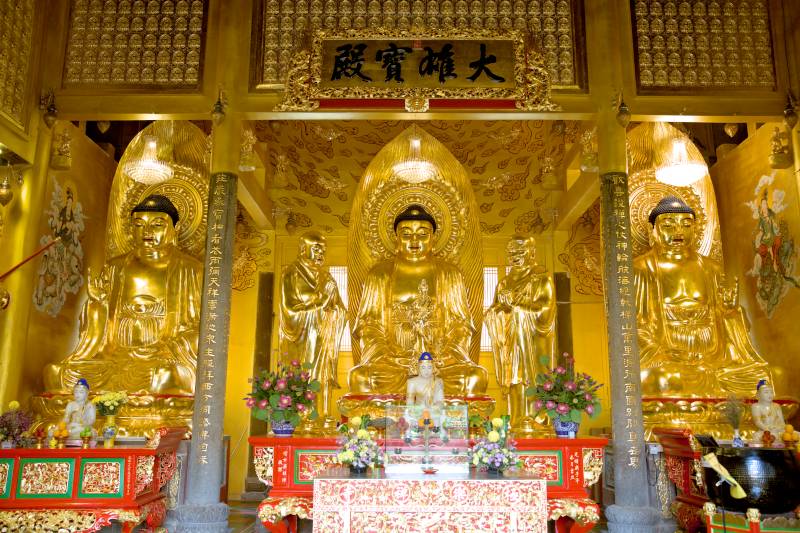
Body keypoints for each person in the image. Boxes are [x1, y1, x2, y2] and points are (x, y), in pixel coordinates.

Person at [44, 195, 203, 395]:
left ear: (175, 228)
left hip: (158, 361)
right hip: (113, 360)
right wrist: (98, 303)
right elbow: (98, 334)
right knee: (55, 374)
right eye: (139, 224)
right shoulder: (115, 267)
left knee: (166, 376)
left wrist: (167, 348)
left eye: (156, 225)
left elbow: (202, 330)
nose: (147, 231)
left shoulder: (191, 269)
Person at [634, 196, 772, 397]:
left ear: (696, 229)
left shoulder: (711, 268)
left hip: (715, 356)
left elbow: (735, 327)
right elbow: (634, 326)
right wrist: (660, 353)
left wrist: (729, 312)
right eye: (668, 225)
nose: (678, 231)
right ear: (651, 231)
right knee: (663, 379)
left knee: (763, 377)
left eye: (686, 224)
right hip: (668, 358)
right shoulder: (641, 268)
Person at [348, 204, 488, 395]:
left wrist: (442, 358)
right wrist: (388, 357)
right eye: (406, 234)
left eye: (422, 234)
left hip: (439, 364)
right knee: (360, 377)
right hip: (392, 365)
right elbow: (369, 326)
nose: (414, 240)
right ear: (396, 238)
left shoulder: (449, 273)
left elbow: (460, 326)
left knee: (475, 377)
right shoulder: (379, 274)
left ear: (433, 239)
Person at [485, 235, 556, 433]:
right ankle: (515, 421)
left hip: (532, 341)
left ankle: (537, 420)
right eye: (511, 253)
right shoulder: (504, 283)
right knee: (515, 378)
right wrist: (498, 311)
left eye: (519, 252)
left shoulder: (541, 277)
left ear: (532, 253)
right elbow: (494, 311)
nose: (514, 257)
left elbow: (545, 310)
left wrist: (516, 304)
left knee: (531, 378)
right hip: (512, 341)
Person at [279, 230, 346, 426]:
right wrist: (322, 300)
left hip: (324, 333)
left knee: (323, 373)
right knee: (306, 372)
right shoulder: (292, 272)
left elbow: (340, 308)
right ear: (303, 249)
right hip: (303, 336)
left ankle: (324, 413)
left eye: (323, 250)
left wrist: (334, 311)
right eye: (316, 249)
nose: (320, 254)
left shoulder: (326, 276)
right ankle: (304, 413)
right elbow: (290, 308)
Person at [751, 379, 799, 444]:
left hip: (778, 430)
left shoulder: (776, 406)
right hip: (765, 431)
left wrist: (780, 428)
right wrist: (767, 429)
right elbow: (757, 421)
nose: (770, 394)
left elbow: (782, 422)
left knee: (797, 434)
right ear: (758, 395)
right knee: (757, 436)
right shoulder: (756, 406)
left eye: (771, 392)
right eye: (766, 392)